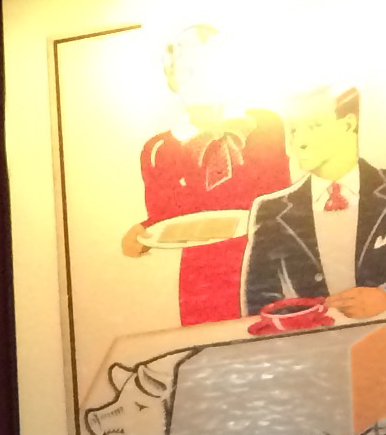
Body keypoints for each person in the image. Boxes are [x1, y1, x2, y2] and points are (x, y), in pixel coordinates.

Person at [123, 25, 286, 326]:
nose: (199, 76)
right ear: (172, 77)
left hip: (264, 263)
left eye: (210, 64)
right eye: (188, 68)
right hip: (202, 275)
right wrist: (142, 233)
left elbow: (283, 199)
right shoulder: (159, 149)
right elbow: (166, 217)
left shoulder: (264, 126)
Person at [241, 84, 386, 317]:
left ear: (348, 125)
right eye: (293, 130)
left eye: (314, 126)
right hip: (311, 335)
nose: (299, 141)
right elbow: (259, 300)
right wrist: (305, 319)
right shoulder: (272, 209)